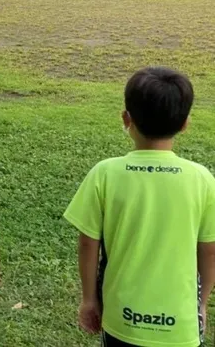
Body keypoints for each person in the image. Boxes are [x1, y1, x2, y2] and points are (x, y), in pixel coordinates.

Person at [64, 67, 215, 347]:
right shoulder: (202, 179)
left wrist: (88, 299)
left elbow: (88, 244)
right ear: (185, 124)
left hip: (122, 319)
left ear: (126, 118)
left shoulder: (105, 173)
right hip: (180, 324)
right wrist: (201, 302)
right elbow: (209, 250)